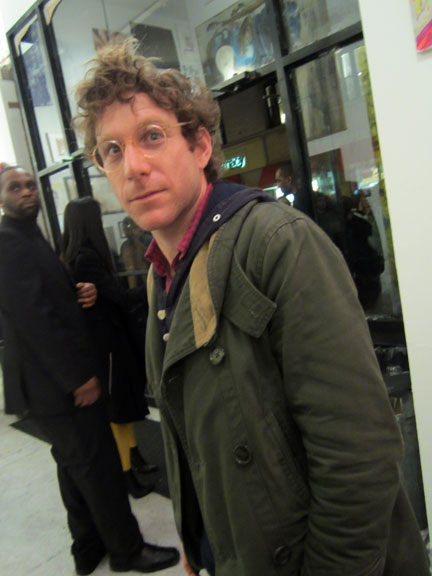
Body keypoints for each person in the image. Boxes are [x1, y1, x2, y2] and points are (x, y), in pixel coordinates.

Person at [74, 40, 429, 576]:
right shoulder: (160, 274)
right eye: (112, 150)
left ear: (199, 145)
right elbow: (189, 433)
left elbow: (360, 454)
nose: (134, 166)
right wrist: (196, 539)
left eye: (152, 136)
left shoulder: (277, 243)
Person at [0, 165, 179, 575]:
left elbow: (45, 297)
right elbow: (34, 320)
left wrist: (76, 289)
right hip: (58, 386)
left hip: (53, 386)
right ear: (1, 198)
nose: (27, 192)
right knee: (99, 470)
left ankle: (87, 547)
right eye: (15, 187)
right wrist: (76, 378)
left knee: (73, 467)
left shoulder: (29, 238)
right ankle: (127, 550)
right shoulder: (8, 242)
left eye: (30, 185)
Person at [61, 197, 158, 499]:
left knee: (123, 408)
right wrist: (152, 287)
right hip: (108, 347)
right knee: (119, 411)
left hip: (107, 345)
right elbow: (117, 296)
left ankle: (134, 458)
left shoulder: (76, 257)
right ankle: (126, 474)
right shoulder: (87, 259)